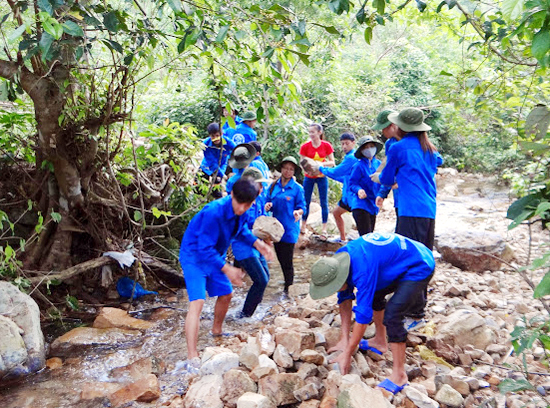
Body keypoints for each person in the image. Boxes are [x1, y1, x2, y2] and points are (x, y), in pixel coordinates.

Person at [309, 232, 435, 394]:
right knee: (375, 295)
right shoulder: (337, 262)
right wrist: (344, 339)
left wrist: (347, 353)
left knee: (393, 314)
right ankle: (380, 342)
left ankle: (399, 374)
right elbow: (344, 299)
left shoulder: (362, 269)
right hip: (393, 260)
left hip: (419, 263)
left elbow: (362, 318)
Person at [179, 178, 273, 359]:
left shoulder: (244, 210)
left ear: (252, 202)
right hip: (194, 255)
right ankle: (192, 355)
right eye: (239, 203)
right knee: (197, 302)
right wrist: (228, 269)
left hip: (215, 255)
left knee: (227, 294)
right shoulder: (213, 212)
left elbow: (241, 230)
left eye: (246, 205)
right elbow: (203, 248)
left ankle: (217, 331)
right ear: (231, 195)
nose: (241, 209)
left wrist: (259, 245)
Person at [378, 108, 443, 330]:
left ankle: (415, 312)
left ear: (401, 127)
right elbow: (436, 164)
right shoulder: (430, 149)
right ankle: (416, 305)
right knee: (423, 257)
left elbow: (386, 177)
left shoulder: (398, 148)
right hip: (428, 210)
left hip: (410, 210)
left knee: (409, 259)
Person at [231, 167, 272, 318]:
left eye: (262, 185)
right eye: (259, 185)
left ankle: (254, 307)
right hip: (244, 247)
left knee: (265, 278)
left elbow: (263, 220)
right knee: (260, 280)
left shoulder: (259, 199)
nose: (262, 188)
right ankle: (244, 316)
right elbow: (240, 229)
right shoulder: (242, 203)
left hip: (257, 246)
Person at [265, 156, 306, 293]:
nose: (288, 171)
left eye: (291, 169)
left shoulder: (297, 188)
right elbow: (267, 202)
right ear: (281, 169)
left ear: (294, 172)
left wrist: (298, 212)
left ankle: (288, 289)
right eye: (286, 168)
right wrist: (268, 205)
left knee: (287, 261)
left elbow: (302, 207)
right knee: (281, 259)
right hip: (275, 229)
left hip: (289, 229)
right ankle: (287, 287)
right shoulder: (273, 186)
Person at [314, 132, 358, 243]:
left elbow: (336, 172)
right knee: (336, 213)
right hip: (349, 195)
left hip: (354, 195)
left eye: (346, 144)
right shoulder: (351, 157)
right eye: (342, 144)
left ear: (353, 143)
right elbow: (345, 177)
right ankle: (343, 238)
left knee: (360, 220)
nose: (344, 147)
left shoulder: (352, 158)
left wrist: (321, 168)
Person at [348, 136, 389, 236]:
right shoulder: (358, 166)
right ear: (361, 150)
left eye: (371, 146)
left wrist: (381, 195)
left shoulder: (379, 164)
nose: (369, 149)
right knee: (366, 236)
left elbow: (384, 182)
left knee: (370, 235)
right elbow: (352, 183)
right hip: (360, 204)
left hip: (373, 204)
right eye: (366, 147)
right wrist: (359, 190)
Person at [299, 123, 335, 236]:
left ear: (319, 132)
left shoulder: (326, 145)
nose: (311, 134)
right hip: (309, 177)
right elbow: (302, 162)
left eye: (313, 132)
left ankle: (324, 228)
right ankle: (303, 225)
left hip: (321, 176)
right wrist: (307, 169)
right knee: (306, 201)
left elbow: (332, 162)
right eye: (309, 132)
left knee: (324, 202)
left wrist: (320, 164)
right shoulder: (305, 146)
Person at [371, 110, 401, 230]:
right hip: (398, 196)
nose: (382, 132)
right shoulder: (390, 143)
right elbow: (389, 170)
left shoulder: (412, 141)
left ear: (393, 126)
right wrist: (382, 194)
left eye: (384, 128)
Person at [199, 123, 236, 198]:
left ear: (221, 134)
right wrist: (223, 175)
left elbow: (236, 150)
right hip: (206, 166)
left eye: (217, 135)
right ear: (210, 136)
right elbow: (211, 162)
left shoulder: (228, 142)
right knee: (198, 188)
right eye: (213, 136)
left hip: (221, 165)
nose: (215, 138)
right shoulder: (206, 145)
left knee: (217, 191)